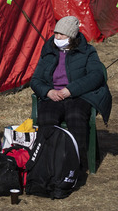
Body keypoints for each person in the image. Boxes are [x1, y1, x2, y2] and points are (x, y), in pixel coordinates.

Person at [30, 16, 112, 173]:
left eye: (62, 34)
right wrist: (48, 91)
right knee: (47, 117)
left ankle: (76, 165)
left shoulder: (87, 51)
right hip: (53, 96)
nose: (58, 37)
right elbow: (36, 80)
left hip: (78, 95)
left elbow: (96, 75)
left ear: (72, 36)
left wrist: (71, 90)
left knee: (75, 116)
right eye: (56, 33)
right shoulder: (48, 51)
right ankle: (47, 161)